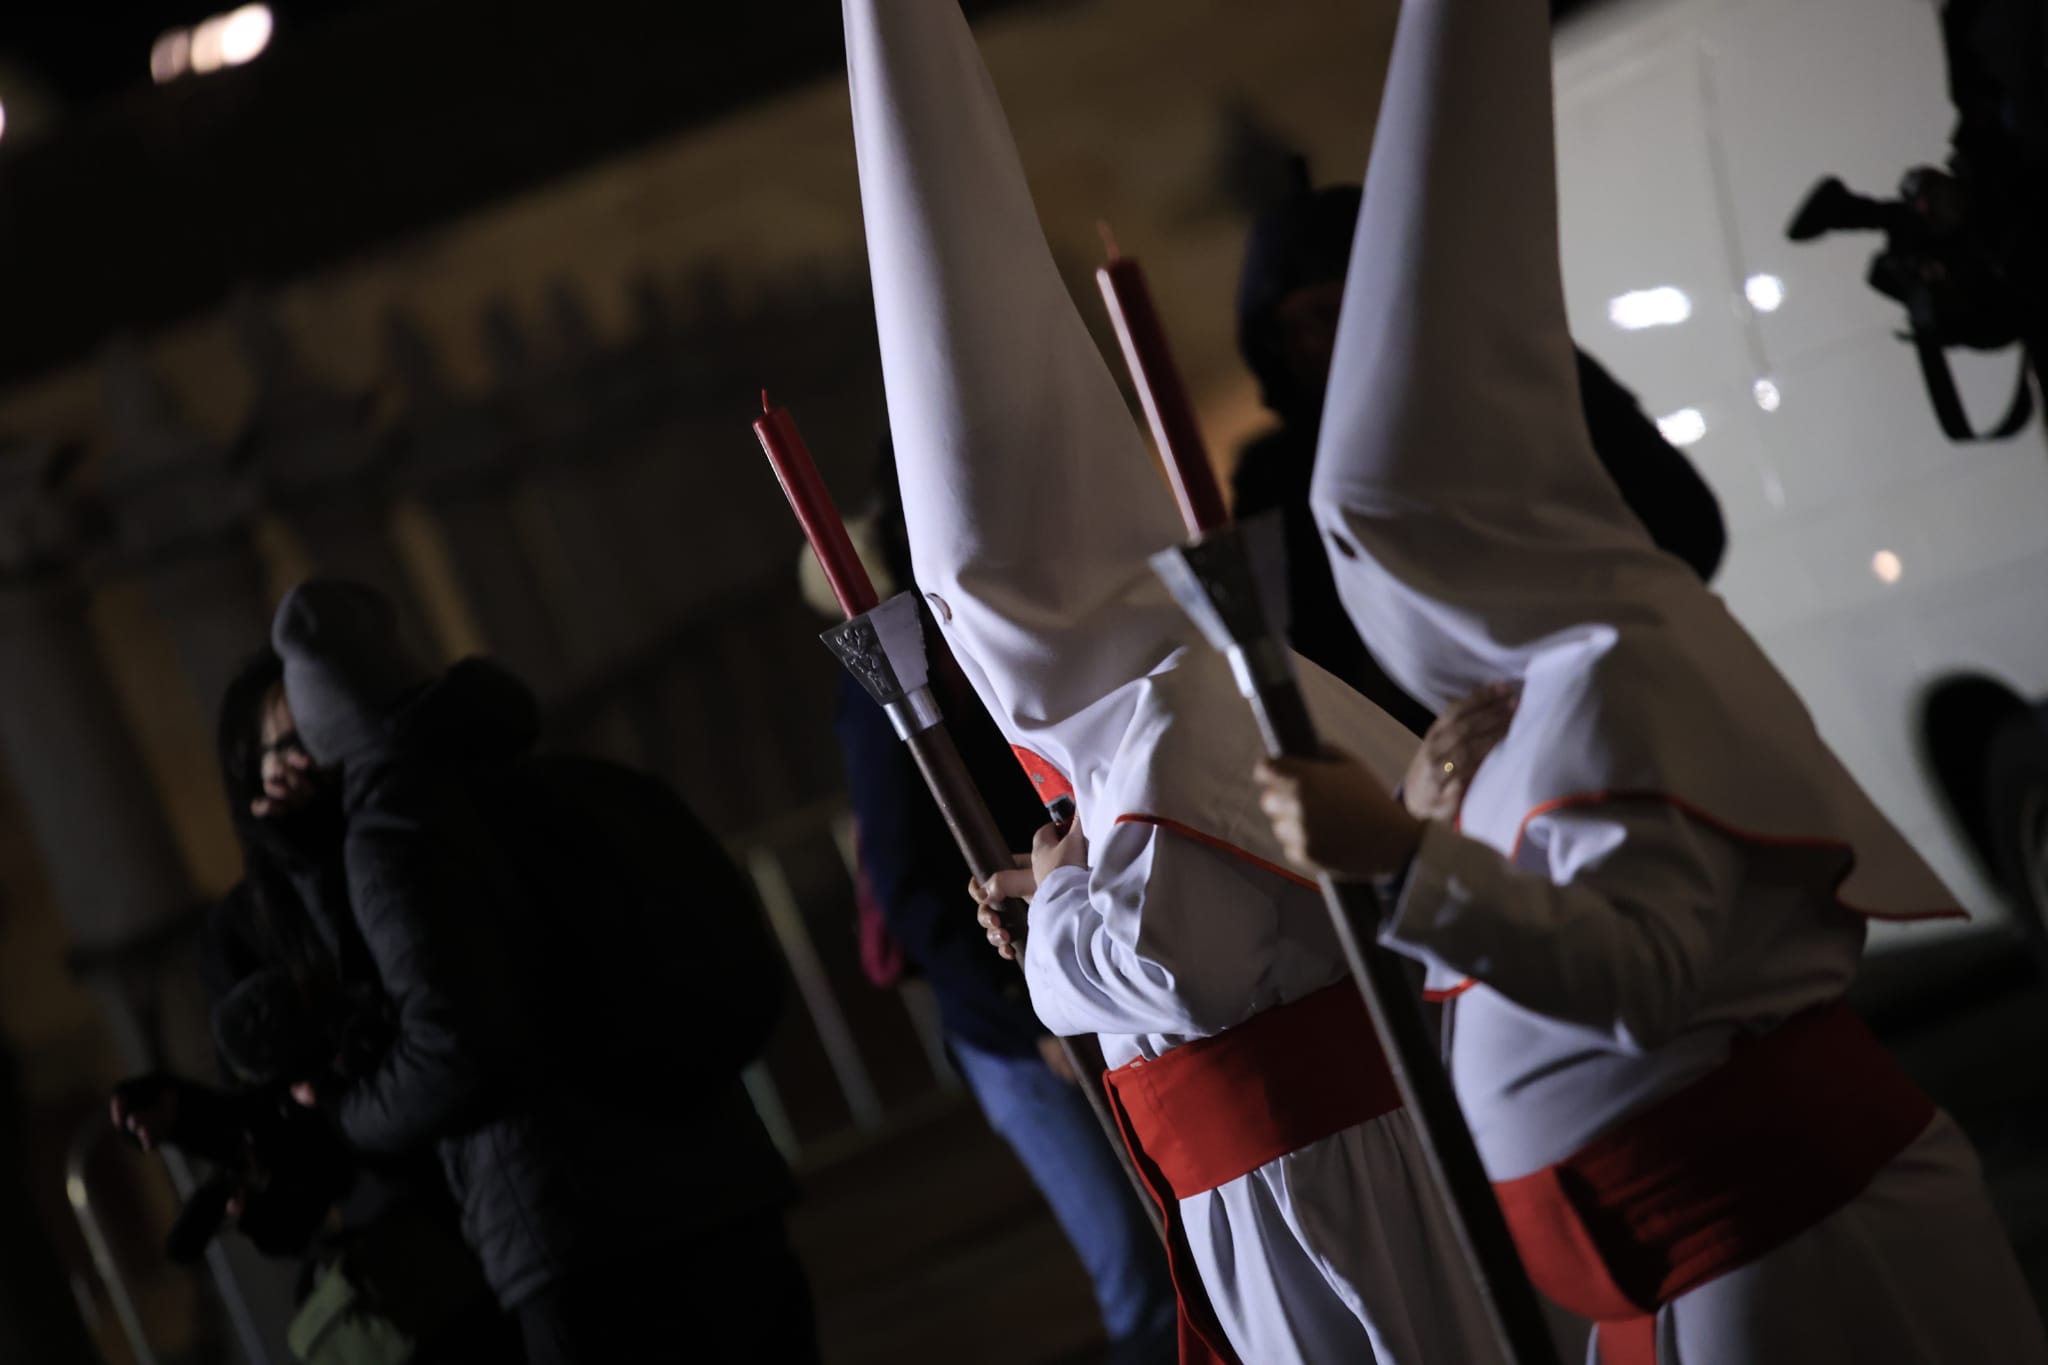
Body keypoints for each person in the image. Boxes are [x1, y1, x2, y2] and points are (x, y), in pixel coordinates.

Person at [1251, 3, 2048, 1362]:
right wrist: (1431, 818)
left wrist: (1407, 857)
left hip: (1791, 1239)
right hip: (1688, 1260)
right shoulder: (1506, 713)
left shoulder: (1619, 674)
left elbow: (1646, 972)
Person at [843, 4, 1511, 1362]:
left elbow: (1173, 964)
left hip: (1332, 1180)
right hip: (1261, 1175)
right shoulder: (1123, 727)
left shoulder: (1170, 709)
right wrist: (1060, 890)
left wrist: (1052, 908)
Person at [267, 579, 815, 1365]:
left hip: (581, 1233)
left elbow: (453, 1048)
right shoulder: (556, 779)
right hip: (723, 1180)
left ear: (322, 732)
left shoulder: (394, 837)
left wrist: (346, 1116)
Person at [809, 442, 1179, 1365]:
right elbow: (907, 890)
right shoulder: (895, 685)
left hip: (1088, 960)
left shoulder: (1017, 633)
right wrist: (1030, 1020)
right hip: (1017, 1023)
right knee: (1133, 1261)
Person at [112, 650, 518, 1364]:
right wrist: (197, 1120)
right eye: (292, 745)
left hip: (509, 1185)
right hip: (423, 1265)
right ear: (251, 772)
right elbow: (287, 1131)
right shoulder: (245, 929)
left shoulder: (409, 838)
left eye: (324, 733)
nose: (317, 759)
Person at [1233, 164, 1726, 735]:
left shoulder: (1521, 373)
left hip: (1607, 695)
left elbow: (1685, 526)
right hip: (1425, 751)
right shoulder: (1274, 476)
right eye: (1295, 327)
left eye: (1335, 310)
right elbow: (1297, 655)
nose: (1320, 342)